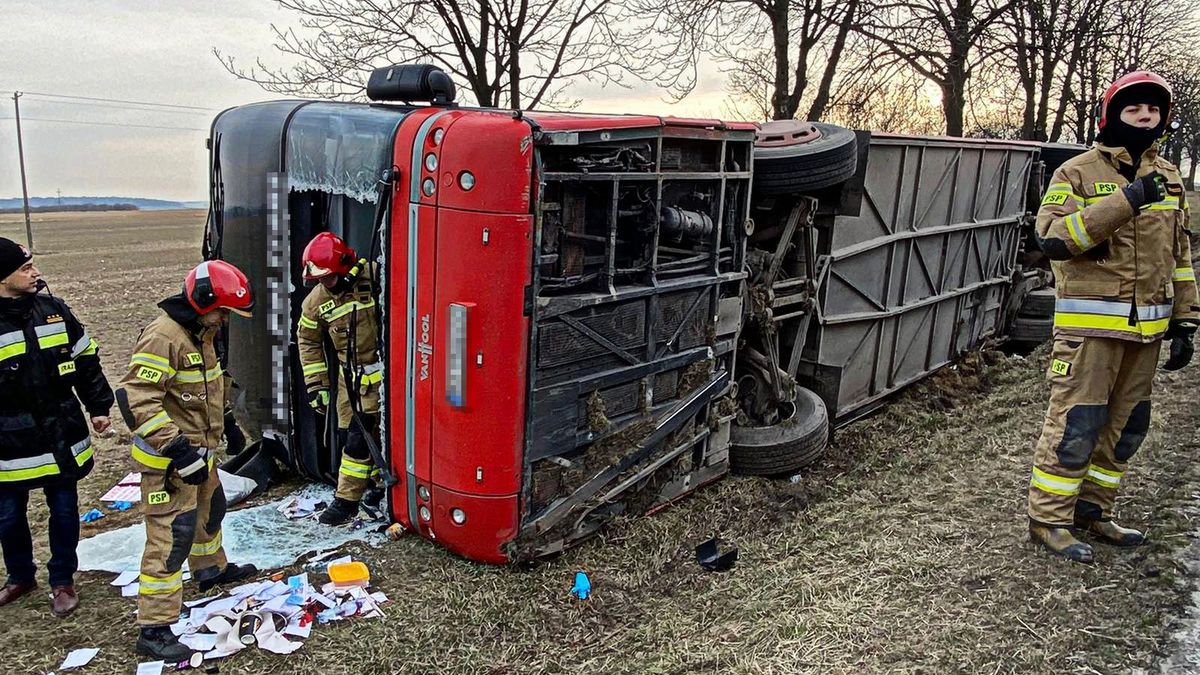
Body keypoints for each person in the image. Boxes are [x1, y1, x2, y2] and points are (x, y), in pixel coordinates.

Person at [1027, 71, 1196, 563]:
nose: (1145, 117)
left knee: (1126, 425)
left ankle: (1093, 511)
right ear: (1112, 116)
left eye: (1153, 110)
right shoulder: (1076, 173)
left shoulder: (1169, 177)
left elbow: (1179, 252)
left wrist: (1186, 318)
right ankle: (1050, 519)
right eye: (1133, 109)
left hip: (1147, 332)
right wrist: (1126, 201)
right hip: (1090, 332)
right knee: (1077, 423)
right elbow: (1055, 239)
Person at [118, 260, 259, 660]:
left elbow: (205, 389)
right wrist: (178, 450)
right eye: (224, 311)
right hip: (169, 463)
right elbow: (137, 399)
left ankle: (209, 571)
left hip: (200, 453)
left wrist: (227, 425)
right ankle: (154, 627)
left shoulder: (203, 332)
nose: (226, 320)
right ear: (202, 301)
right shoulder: (165, 336)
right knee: (172, 537)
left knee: (208, 514)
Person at [0, 237, 113, 617]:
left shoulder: (54, 311)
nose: (36, 274)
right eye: (25, 268)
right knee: (8, 516)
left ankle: (62, 579)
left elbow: (86, 359)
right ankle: (20, 577)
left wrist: (99, 406)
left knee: (64, 510)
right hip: (8, 442)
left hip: (60, 432)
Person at [295, 232, 382, 526]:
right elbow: (307, 341)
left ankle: (346, 501)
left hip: (384, 375)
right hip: (350, 382)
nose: (325, 284)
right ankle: (376, 488)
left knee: (361, 439)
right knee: (349, 437)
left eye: (329, 278)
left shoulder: (375, 276)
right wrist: (317, 386)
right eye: (320, 279)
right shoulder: (315, 302)